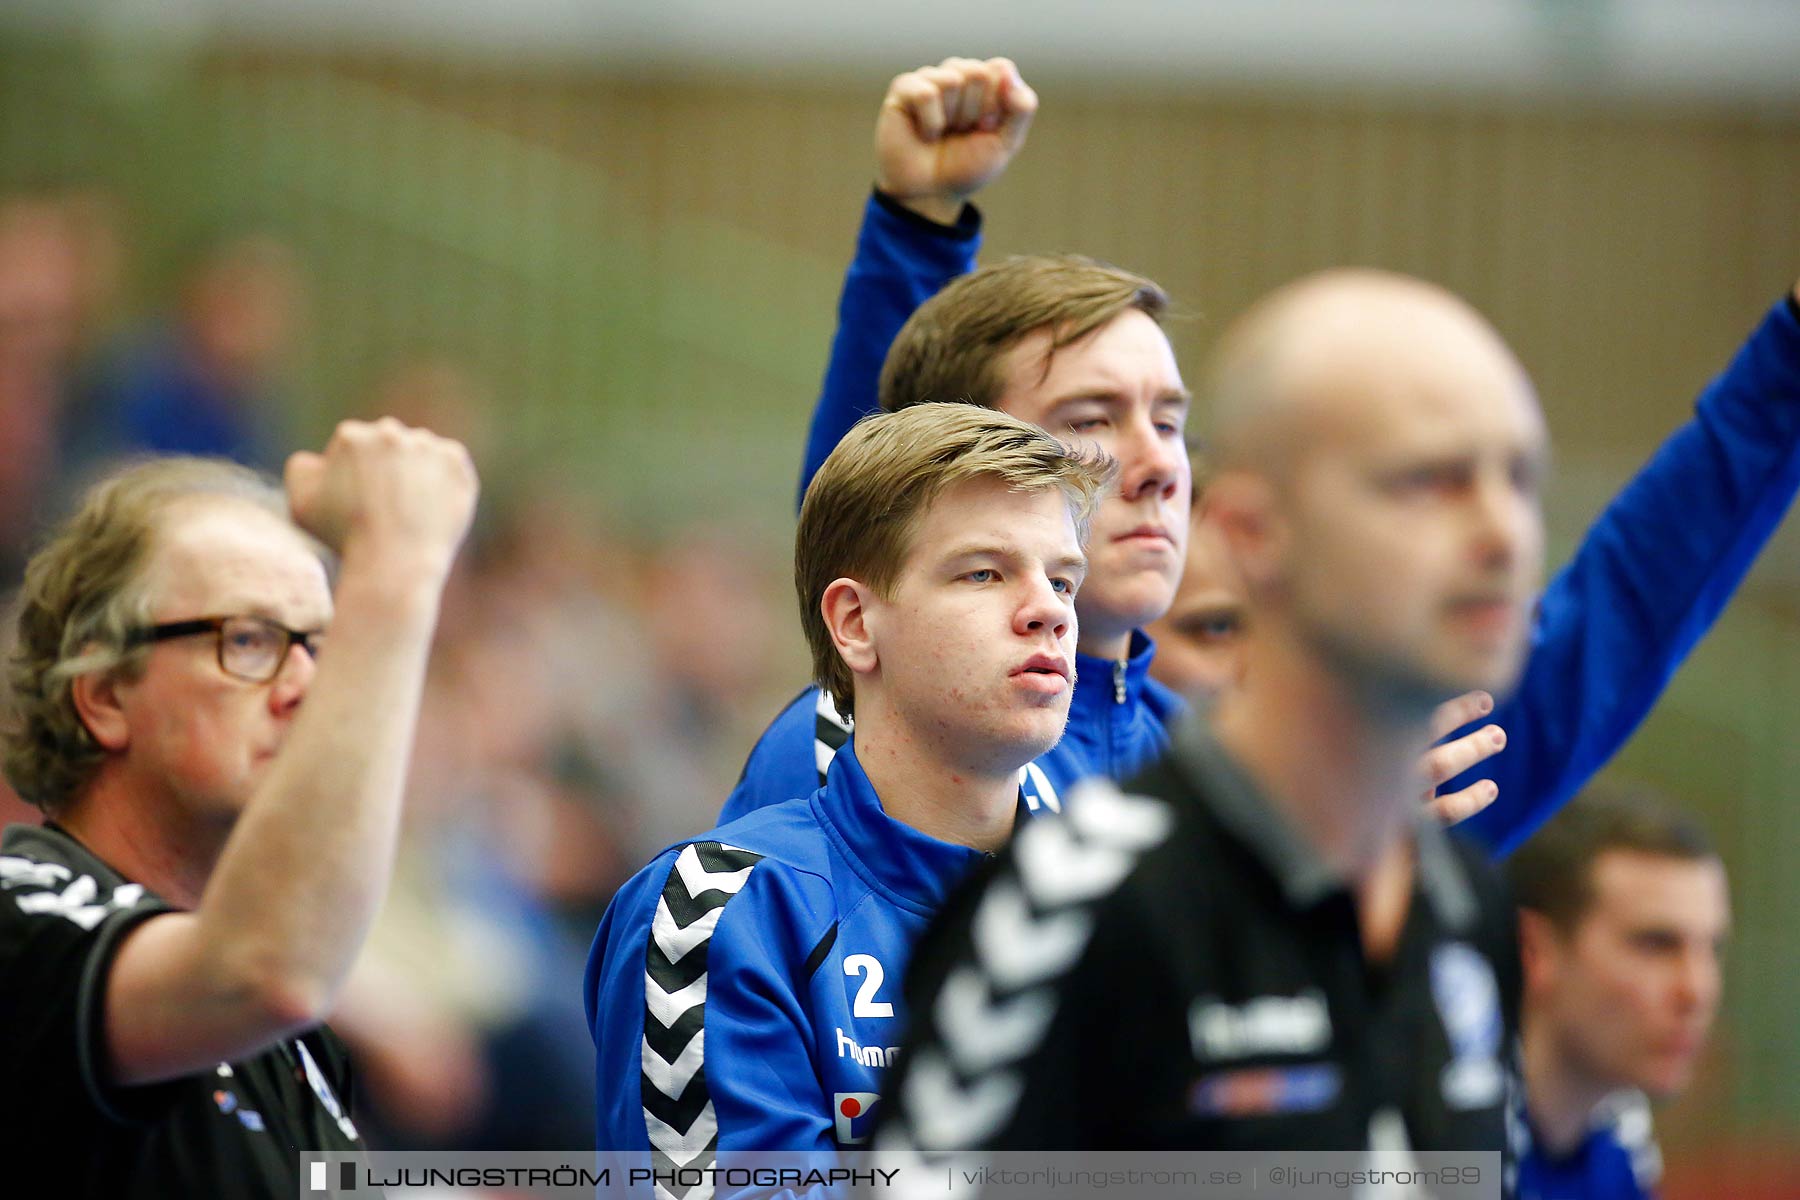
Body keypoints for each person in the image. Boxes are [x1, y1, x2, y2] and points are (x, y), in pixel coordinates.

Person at [739, 56, 1800, 856]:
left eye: (1170, 418)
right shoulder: (877, 751)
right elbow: (874, 498)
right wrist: (915, 235)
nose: (1159, 463)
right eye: (1093, 420)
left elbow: (1596, 635)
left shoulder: (1246, 777)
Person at [876, 268, 1545, 1154]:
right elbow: (883, 505)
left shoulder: (1464, 904)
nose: (1501, 532)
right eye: (1429, 480)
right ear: (1253, 532)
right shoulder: (1076, 905)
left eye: (1523, 476)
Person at [585, 404, 1111, 1163]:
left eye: (1063, 581)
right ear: (856, 624)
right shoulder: (720, 913)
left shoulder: (1139, 908)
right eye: (985, 573)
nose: (1048, 614)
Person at [0, 421, 477, 1194]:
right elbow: (264, 969)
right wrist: (396, 565)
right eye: (250, 641)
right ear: (104, 696)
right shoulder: (20, 905)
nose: (311, 690)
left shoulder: (286, 1040)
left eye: (325, 650)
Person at [1506, 787, 1730, 1199]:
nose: (1697, 991)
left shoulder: (1621, 1140)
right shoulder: (1427, 1149)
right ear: (1535, 950)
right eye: (1657, 944)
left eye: (1711, 947)